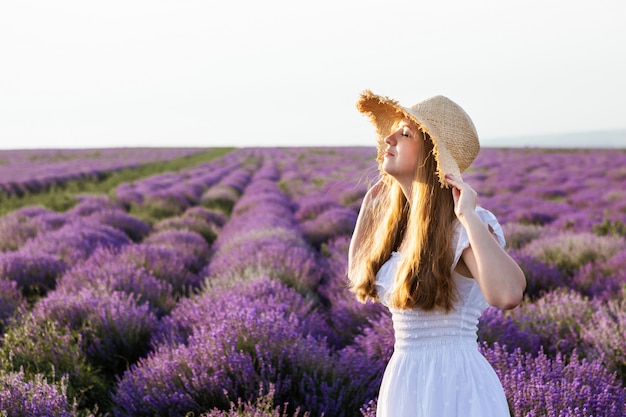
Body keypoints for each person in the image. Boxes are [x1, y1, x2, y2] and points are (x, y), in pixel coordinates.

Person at [348, 90, 526, 416]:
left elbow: (508, 294)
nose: (388, 139)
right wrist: (368, 211)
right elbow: (360, 280)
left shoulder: (460, 226)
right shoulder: (398, 226)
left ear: (432, 155)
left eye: (404, 134)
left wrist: (470, 216)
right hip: (406, 384)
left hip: (454, 384)